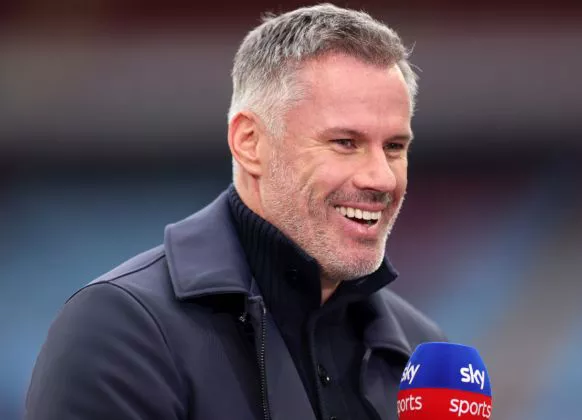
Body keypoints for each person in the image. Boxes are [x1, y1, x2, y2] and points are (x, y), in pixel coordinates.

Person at [24, 4, 445, 419]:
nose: (382, 178)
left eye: (394, 147)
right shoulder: (123, 330)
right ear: (249, 142)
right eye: (345, 143)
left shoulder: (421, 351)